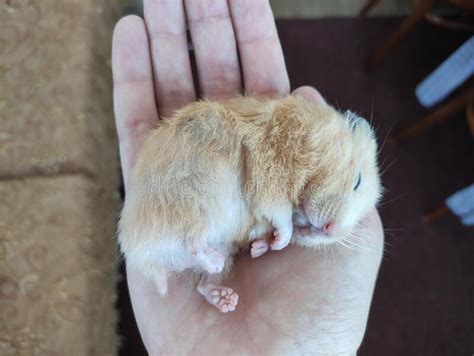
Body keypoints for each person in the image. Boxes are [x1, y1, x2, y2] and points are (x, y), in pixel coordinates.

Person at [112, 0, 384, 354]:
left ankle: (202, 277)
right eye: (356, 184)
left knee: (223, 245)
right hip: (193, 193)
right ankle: (193, 242)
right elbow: (264, 178)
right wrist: (282, 223)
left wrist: (278, 230)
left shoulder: (289, 204)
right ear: (343, 128)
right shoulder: (303, 129)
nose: (336, 228)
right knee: (205, 171)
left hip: (191, 240)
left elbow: (255, 209)